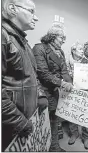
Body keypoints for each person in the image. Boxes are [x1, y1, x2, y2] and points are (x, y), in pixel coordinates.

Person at [2, 0, 48, 151]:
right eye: (31, 11)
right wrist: (18, 122)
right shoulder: (3, 37)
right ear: (12, 8)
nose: (36, 17)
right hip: (11, 125)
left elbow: (33, 75)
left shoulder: (23, 42)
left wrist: (41, 95)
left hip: (28, 115)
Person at [32, 24, 73, 152]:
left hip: (55, 91)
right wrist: (61, 83)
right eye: (62, 37)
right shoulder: (39, 48)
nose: (64, 40)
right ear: (52, 37)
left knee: (55, 120)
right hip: (43, 92)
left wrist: (69, 83)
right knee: (44, 122)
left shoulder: (60, 52)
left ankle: (54, 146)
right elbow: (42, 73)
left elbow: (64, 70)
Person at [66, 42, 88, 149]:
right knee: (72, 113)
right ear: (73, 51)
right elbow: (63, 74)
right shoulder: (66, 62)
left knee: (85, 113)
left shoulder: (86, 61)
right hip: (71, 90)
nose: (82, 51)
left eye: (82, 49)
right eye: (80, 49)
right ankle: (74, 133)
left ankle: (86, 137)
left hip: (84, 90)